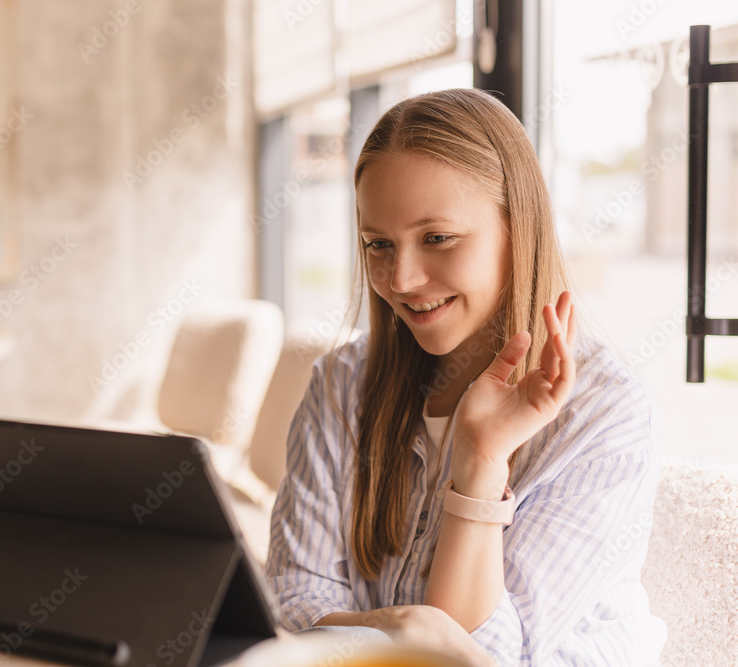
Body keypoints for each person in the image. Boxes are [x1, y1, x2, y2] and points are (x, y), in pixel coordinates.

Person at [265, 88, 667, 666]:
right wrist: (401, 628)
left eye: (437, 238)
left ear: (516, 227)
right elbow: (292, 598)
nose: (400, 279)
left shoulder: (606, 414)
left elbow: (485, 660)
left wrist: (480, 462)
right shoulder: (341, 385)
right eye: (378, 244)